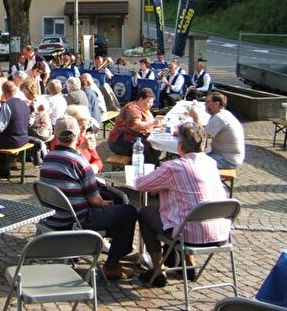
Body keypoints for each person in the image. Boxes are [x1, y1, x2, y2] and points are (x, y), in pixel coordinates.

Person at [40, 116, 138, 280]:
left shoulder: (48, 159)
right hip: (77, 220)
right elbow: (95, 200)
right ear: (78, 136)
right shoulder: (79, 162)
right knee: (129, 211)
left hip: (53, 216)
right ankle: (112, 264)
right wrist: (104, 203)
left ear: (56, 136)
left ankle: (111, 252)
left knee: (119, 214)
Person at [135, 122, 231, 287]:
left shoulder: (174, 167)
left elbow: (140, 184)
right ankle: (188, 265)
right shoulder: (210, 163)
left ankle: (158, 270)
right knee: (182, 210)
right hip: (221, 232)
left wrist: (159, 186)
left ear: (179, 146)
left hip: (189, 234)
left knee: (145, 213)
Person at [188, 92, 245, 169]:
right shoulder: (224, 113)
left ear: (216, 104)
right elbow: (207, 129)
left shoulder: (220, 118)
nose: (205, 104)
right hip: (225, 155)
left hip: (227, 160)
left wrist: (195, 118)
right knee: (193, 159)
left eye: (208, 102)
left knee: (192, 164)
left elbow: (203, 134)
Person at [108, 88, 162, 164]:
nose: (150, 105)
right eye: (148, 102)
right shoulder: (132, 108)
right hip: (119, 141)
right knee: (146, 152)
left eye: (152, 103)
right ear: (140, 99)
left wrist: (155, 124)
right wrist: (152, 124)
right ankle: (145, 173)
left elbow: (150, 121)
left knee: (155, 149)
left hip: (132, 138)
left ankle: (153, 170)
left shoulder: (143, 108)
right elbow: (136, 126)